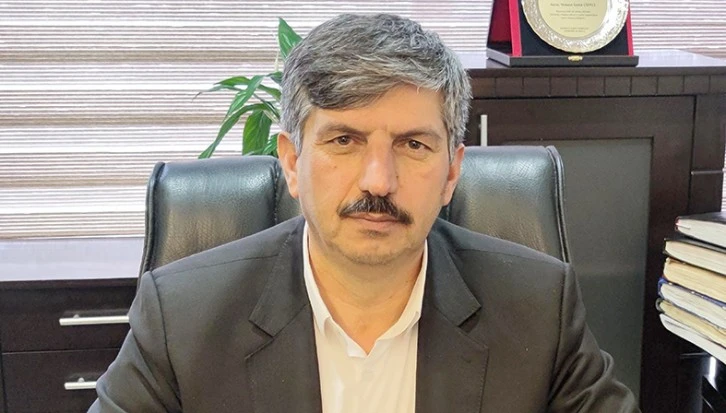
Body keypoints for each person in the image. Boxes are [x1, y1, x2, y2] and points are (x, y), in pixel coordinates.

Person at [89, 13, 639, 413]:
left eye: (413, 145)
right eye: (344, 141)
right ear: (292, 162)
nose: (379, 180)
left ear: (452, 172)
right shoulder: (183, 318)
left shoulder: (538, 306)